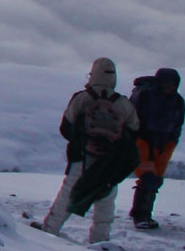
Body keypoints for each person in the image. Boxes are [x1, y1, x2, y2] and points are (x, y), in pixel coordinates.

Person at [40, 58, 140, 244]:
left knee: (68, 195)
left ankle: (47, 233)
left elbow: (66, 128)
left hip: (81, 158)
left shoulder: (82, 98)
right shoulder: (123, 104)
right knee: (105, 200)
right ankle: (99, 241)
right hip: (109, 162)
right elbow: (134, 131)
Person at [128, 68, 184, 230]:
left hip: (164, 144)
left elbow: (178, 124)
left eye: (173, 85)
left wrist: (172, 141)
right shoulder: (144, 96)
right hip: (143, 141)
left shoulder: (178, 102)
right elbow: (134, 119)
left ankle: (141, 212)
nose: (170, 88)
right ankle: (141, 216)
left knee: (156, 178)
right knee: (147, 176)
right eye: (166, 84)